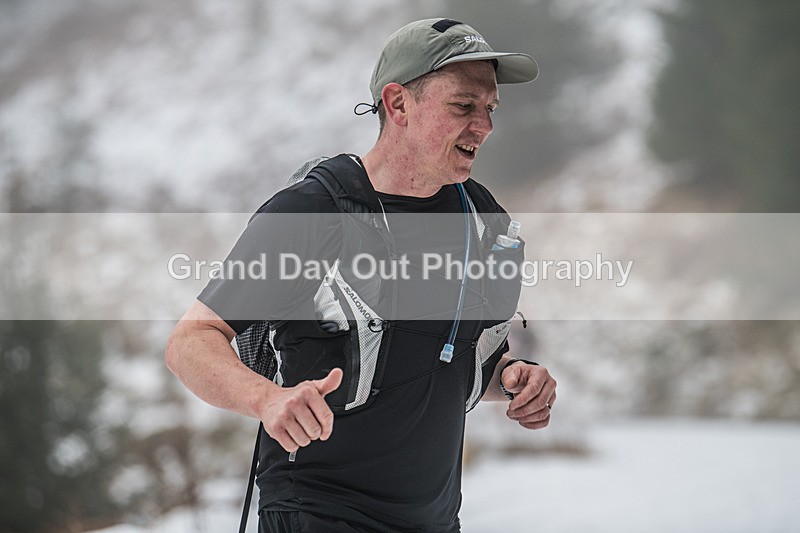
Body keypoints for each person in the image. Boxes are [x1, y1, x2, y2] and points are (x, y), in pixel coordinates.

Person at [166, 18, 557, 533]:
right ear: (397, 104)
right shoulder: (311, 213)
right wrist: (268, 398)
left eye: (489, 109)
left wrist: (510, 377)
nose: (483, 125)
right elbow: (191, 342)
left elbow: (445, 354)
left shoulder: (484, 221)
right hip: (316, 516)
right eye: (463, 106)